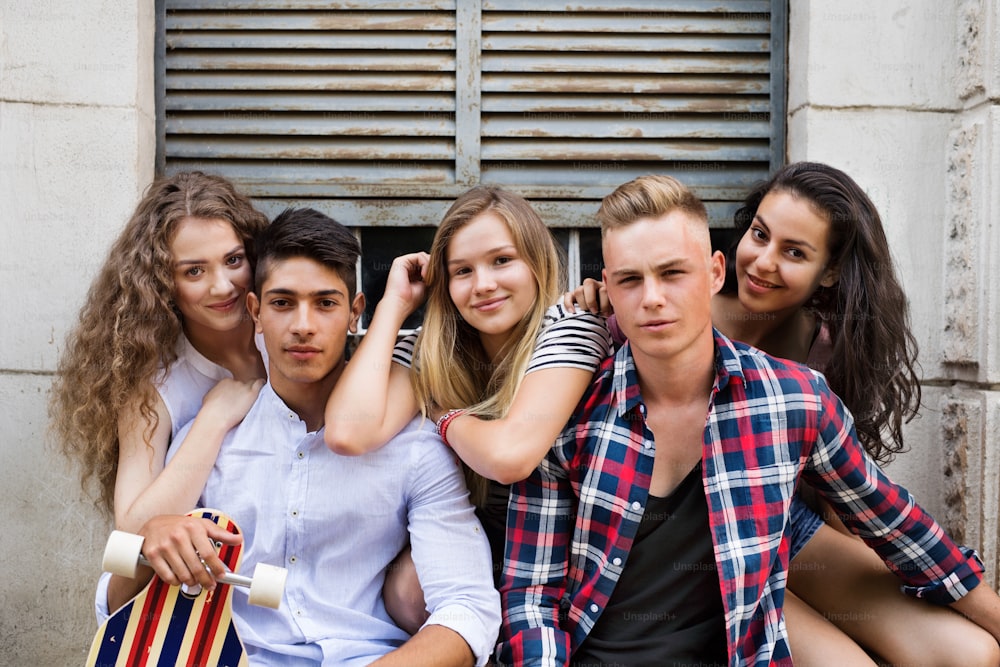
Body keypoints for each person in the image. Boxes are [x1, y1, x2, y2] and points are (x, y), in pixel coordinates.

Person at [500, 174, 1000, 666]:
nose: (763, 262)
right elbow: (532, 591)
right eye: (759, 235)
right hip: (647, 561)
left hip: (767, 522)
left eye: (795, 252)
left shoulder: (805, 382)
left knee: (969, 651)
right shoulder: (591, 374)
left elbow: (889, 521)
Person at [102, 207, 501, 666]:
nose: (303, 325)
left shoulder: (414, 448)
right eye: (283, 302)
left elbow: (468, 610)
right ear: (254, 312)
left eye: (326, 303)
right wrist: (150, 545)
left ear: (355, 314)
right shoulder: (208, 440)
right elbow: (114, 609)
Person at [324, 185, 612, 582]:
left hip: (564, 567)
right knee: (406, 586)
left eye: (502, 260)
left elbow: (509, 457)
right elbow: (348, 432)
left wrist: (443, 415)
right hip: (474, 558)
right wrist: (394, 304)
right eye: (462, 270)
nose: (483, 285)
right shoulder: (438, 351)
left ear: (536, 261)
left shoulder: (572, 324)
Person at [50, 171, 268, 534]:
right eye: (194, 271)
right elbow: (133, 531)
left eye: (233, 260)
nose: (223, 286)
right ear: (161, 283)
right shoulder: (153, 384)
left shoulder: (287, 334)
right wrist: (213, 419)